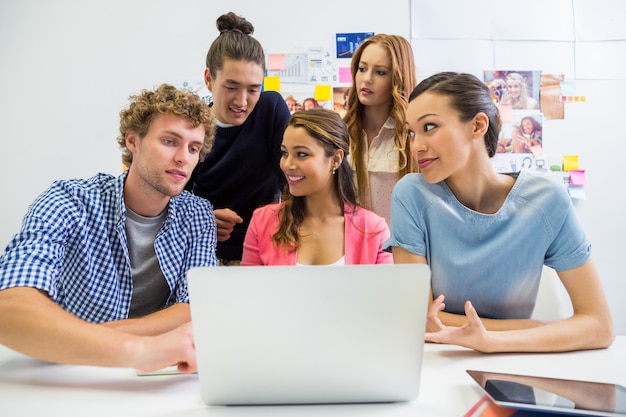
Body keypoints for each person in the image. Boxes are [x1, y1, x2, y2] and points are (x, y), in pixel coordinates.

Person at [386, 72, 614, 353]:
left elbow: (599, 325)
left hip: (516, 363)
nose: (416, 145)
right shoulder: (412, 194)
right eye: (411, 132)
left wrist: (490, 340)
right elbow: (416, 319)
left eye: (429, 126)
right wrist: (536, 329)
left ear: (478, 125)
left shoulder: (546, 200)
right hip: (435, 362)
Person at [0, 84, 218, 371]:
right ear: (133, 141)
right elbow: (10, 305)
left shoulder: (198, 215)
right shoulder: (69, 200)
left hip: (156, 373)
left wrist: (81, 337)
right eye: (169, 141)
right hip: (65, 370)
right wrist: (137, 349)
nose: (183, 158)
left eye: (194, 148)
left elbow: (195, 307)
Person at [188, 11, 291, 265]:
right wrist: (204, 218)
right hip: (204, 254)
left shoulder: (270, 109)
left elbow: (291, 179)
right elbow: (172, 197)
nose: (242, 101)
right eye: (232, 87)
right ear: (209, 79)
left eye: (253, 89)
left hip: (265, 251)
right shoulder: (192, 126)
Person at [242, 109, 392, 265]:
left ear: (336, 159)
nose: (287, 164)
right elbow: (249, 287)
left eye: (301, 154)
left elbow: (385, 289)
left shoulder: (373, 230)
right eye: (285, 153)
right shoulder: (262, 222)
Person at [343, 34, 418, 226]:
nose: (366, 79)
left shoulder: (414, 137)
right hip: (353, 249)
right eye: (362, 69)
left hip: (398, 250)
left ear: (398, 78)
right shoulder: (341, 132)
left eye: (380, 72)